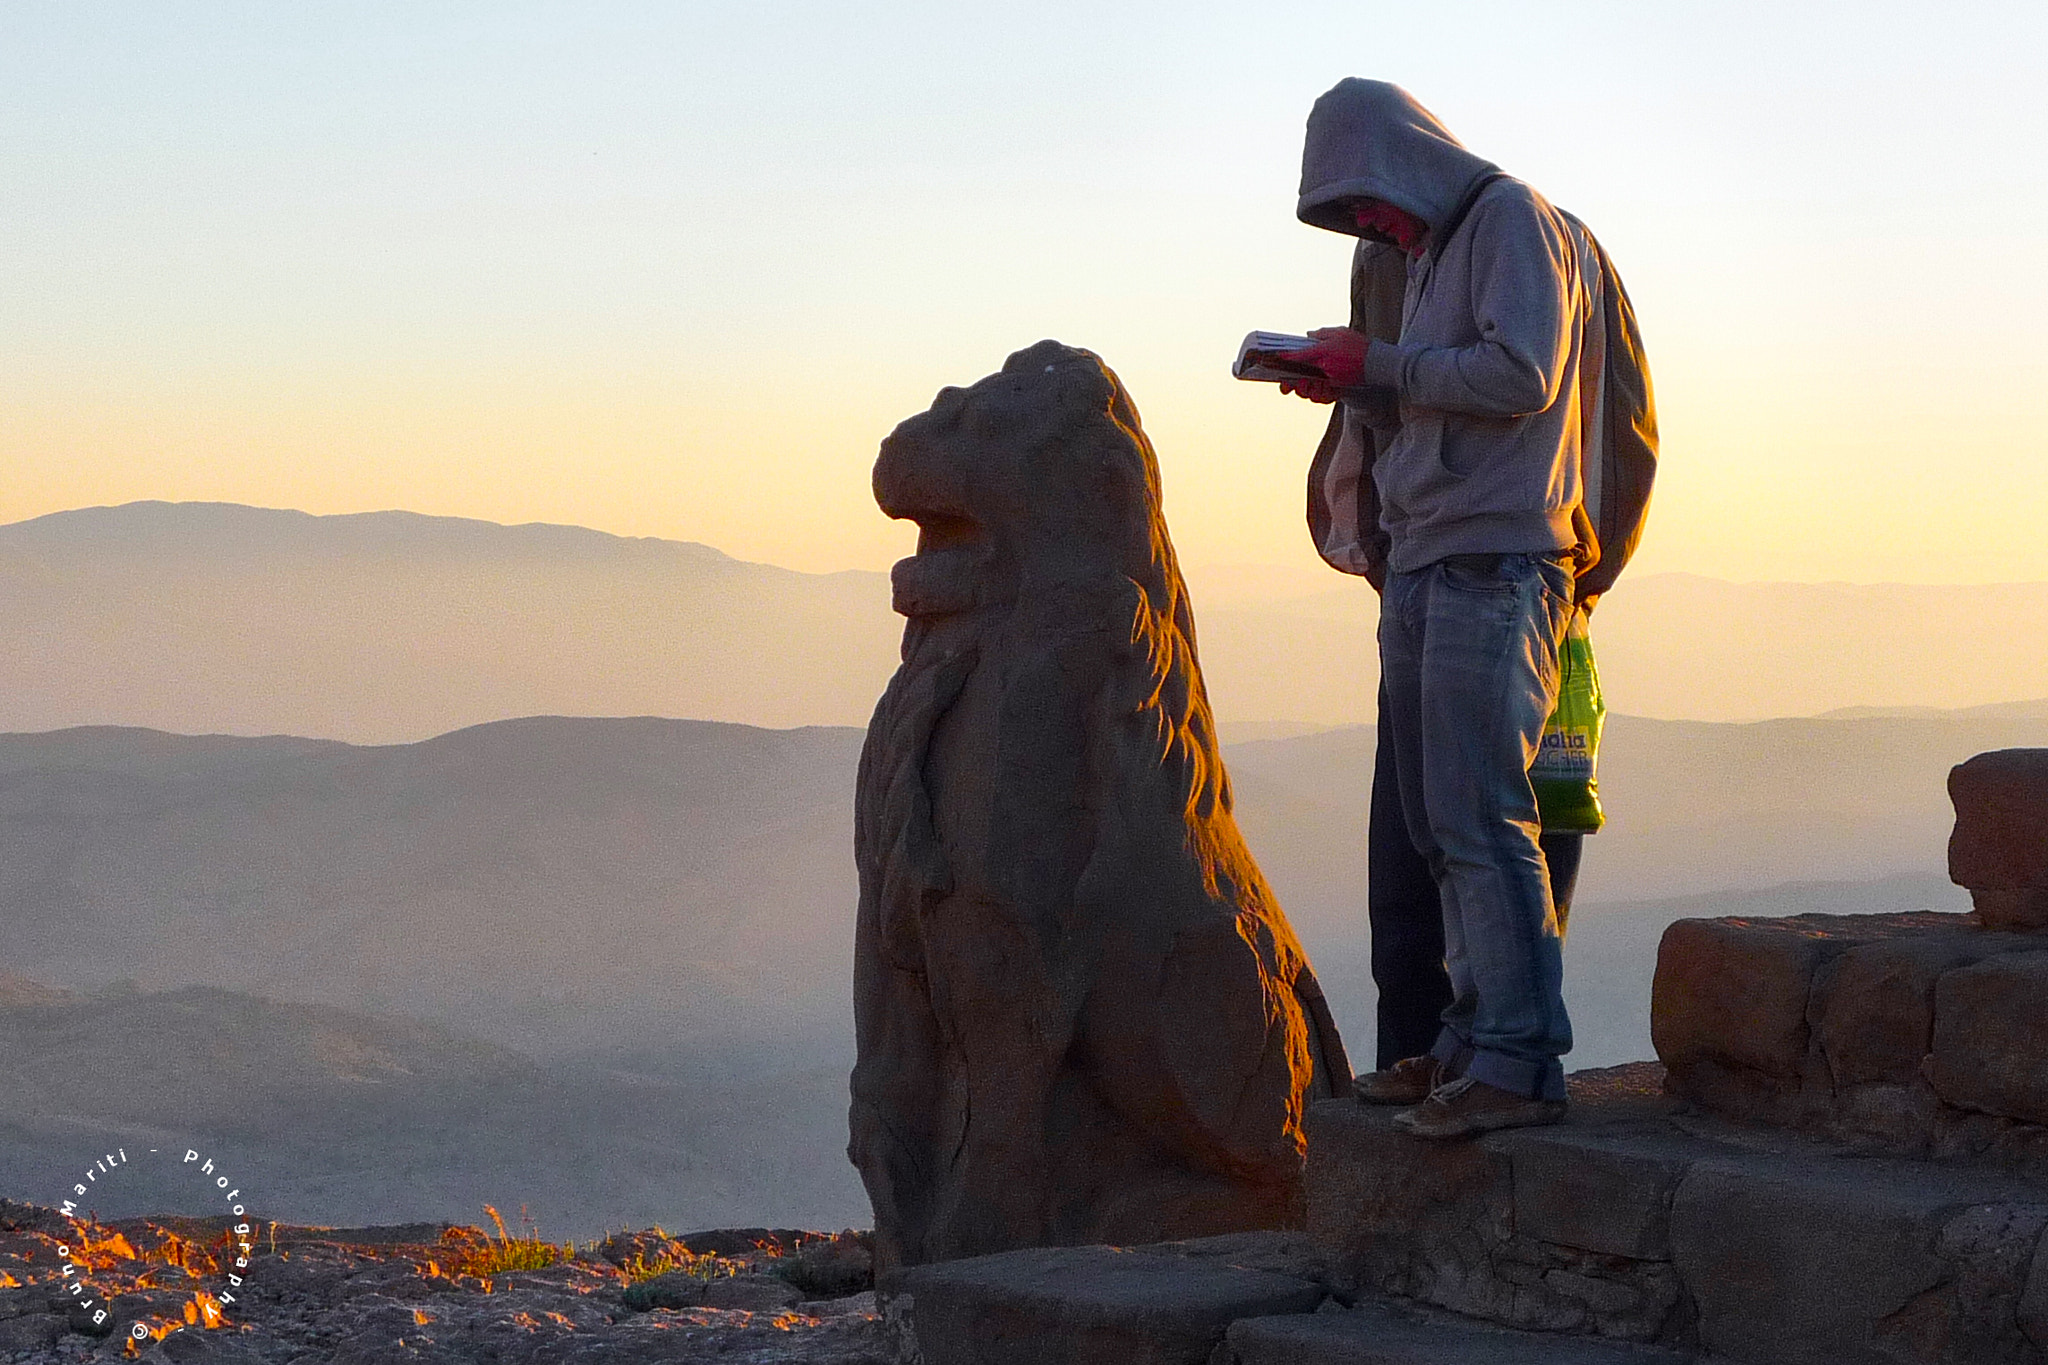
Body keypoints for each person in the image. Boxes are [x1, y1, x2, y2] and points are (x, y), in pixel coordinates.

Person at [1281, 79, 1655, 1137]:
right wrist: (1348, 380)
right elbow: (1444, 390)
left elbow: (1522, 376)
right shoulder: (1431, 249)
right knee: (1435, 820)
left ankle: (1515, 1061)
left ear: (1401, 160)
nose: (1367, 228)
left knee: (1484, 818)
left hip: (1499, 558)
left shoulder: (1511, 223)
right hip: (1428, 556)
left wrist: (1381, 362)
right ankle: (1457, 1042)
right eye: (1348, 219)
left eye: (1364, 203)